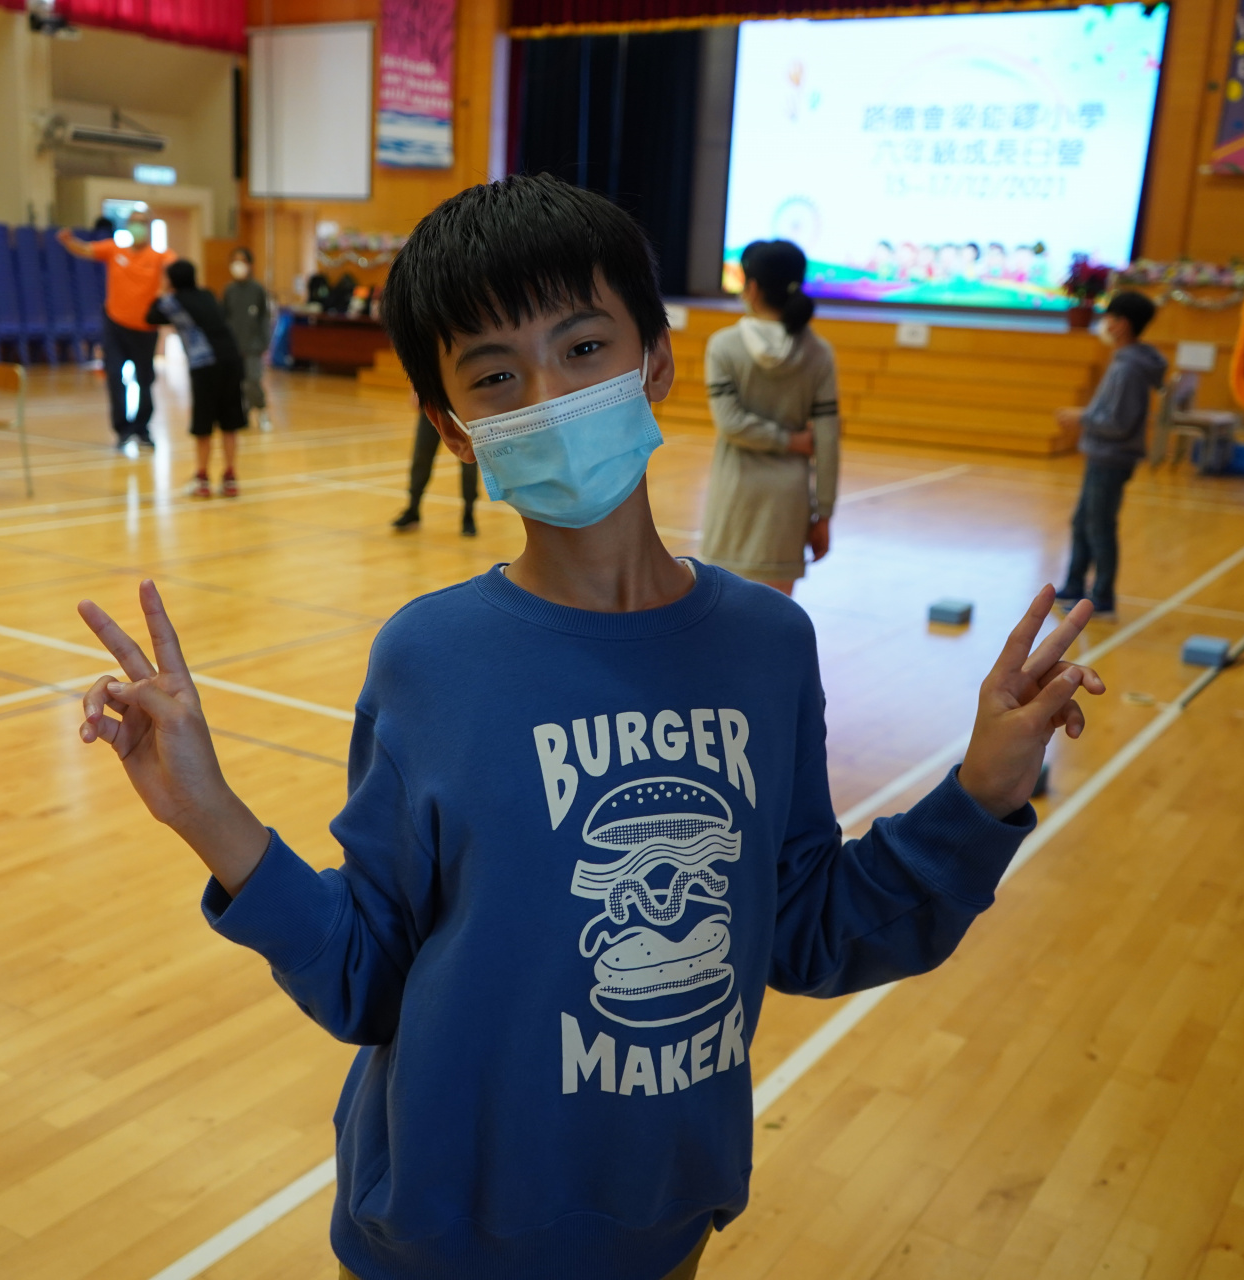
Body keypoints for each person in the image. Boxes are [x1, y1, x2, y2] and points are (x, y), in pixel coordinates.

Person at [73, 173, 1105, 1280]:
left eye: (582, 347)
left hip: (661, 1220)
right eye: (496, 375)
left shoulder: (766, 644)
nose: (551, 395)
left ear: (654, 361)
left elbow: (808, 927)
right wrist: (209, 815)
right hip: (436, 1238)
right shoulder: (429, 658)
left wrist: (981, 795)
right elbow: (366, 974)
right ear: (454, 429)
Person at [701, 239, 839, 595]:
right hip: (788, 506)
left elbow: (730, 423)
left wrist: (784, 440)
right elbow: (828, 440)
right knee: (776, 619)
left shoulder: (723, 345)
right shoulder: (819, 352)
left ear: (752, 288)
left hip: (734, 498)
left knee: (724, 616)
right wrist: (824, 513)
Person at [1055, 290, 1165, 617]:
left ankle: (1101, 597)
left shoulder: (1128, 368)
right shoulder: (1124, 361)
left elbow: (1119, 422)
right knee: (1082, 522)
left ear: (1122, 324)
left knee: (1099, 526)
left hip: (1112, 458)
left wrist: (1082, 417)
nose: (1105, 323)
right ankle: (1075, 585)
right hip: (1103, 454)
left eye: (1110, 317)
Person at [58, 211, 174, 454]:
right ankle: (123, 430)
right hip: (115, 325)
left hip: (145, 329)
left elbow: (176, 268)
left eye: (142, 223)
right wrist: (69, 241)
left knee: (145, 380)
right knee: (113, 375)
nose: (137, 227)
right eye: (134, 223)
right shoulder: (114, 250)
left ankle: (142, 428)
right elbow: (85, 249)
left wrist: (167, 291)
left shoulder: (158, 256)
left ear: (148, 228)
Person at [147, 259, 243, 498]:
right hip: (232, 360)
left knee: (203, 423)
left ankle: (202, 479)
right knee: (230, 422)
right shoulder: (208, 295)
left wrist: (161, 293)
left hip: (205, 364)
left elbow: (150, 317)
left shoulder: (172, 301)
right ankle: (230, 478)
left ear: (172, 280)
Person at [391, 405, 477, 535]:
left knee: (469, 462)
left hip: (462, 408)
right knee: (421, 456)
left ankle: (468, 514)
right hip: (433, 405)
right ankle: (413, 509)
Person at [220, 246, 273, 429]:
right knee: (236, 384)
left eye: (242, 261)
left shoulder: (257, 289)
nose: (238, 265)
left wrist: (264, 343)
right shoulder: (229, 290)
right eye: (235, 261)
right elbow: (223, 317)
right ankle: (242, 413)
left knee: (252, 380)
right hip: (233, 346)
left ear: (250, 264)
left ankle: (261, 410)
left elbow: (264, 318)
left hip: (253, 346)